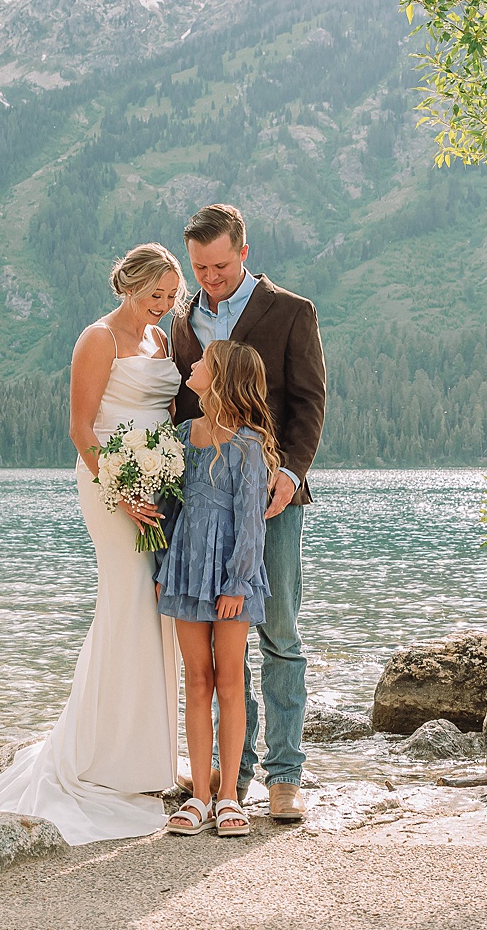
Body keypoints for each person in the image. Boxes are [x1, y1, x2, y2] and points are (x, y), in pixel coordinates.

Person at [0, 244, 184, 844]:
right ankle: (102, 758)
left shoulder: (162, 343)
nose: (164, 308)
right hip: (109, 484)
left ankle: (146, 759)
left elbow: (163, 416)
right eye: (154, 297)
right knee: (127, 602)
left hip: (158, 482)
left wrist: (160, 479)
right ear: (128, 290)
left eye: (170, 297)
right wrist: (121, 489)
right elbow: (81, 429)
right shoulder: (99, 339)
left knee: (155, 611)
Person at [170, 203, 325, 823]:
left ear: (244, 253)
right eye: (199, 267)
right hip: (206, 503)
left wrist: (288, 476)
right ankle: (232, 777)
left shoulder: (291, 311)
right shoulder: (184, 322)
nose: (208, 277)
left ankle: (285, 775)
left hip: (272, 499)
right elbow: (183, 406)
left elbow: (309, 405)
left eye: (219, 264)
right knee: (219, 639)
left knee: (278, 632)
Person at [156, 340, 275, 838]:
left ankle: (230, 796)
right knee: (196, 681)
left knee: (230, 681)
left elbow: (251, 522)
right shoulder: (184, 436)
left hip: (231, 581)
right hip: (186, 573)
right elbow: (171, 508)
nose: (193, 365)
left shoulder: (247, 447)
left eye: (203, 363)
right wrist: (164, 563)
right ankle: (200, 797)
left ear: (221, 377)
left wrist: (237, 582)